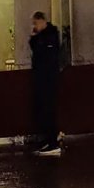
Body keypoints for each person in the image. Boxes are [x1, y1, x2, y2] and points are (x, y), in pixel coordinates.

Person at [29, 11, 62, 156]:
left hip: (48, 78)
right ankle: (49, 140)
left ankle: (53, 142)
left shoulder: (50, 35)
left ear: (42, 21)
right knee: (44, 111)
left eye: (36, 23)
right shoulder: (44, 36)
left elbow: (43, 53)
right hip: (43, 78)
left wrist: (36, 38)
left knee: (48, 111)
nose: (34, 26)